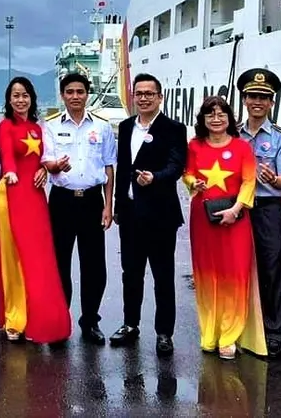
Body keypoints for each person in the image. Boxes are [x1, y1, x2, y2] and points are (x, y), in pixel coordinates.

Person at [182, 95, 265, 360]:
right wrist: (193, 183)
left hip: (235, 220)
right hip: (203, 220)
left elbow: (249, 181)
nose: (216, 119)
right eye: (210, 115)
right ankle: (210, 332)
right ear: (203, 119)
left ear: (229, 118)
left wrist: (236, 210)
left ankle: (229, 335)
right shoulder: (194, 145)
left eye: (221, 114)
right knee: (206, 275)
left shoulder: (242, 147)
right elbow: (187, 173)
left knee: (234, 275)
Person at [110, 73, 186, 355]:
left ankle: (164, 332)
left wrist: (155, 177)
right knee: (131, 273)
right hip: (130, 213)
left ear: (159, 97)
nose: (143, 98)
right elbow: (122, 168)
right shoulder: (125, 126)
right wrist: (118, 205)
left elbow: (176, 166)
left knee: (163, 275)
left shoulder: (173, 128)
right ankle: (130, 324)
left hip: (160, 214)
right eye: (139, 93)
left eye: (149, 94)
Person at [0, 76, 71, 344]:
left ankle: (42, 316)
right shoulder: (5, 126)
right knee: (13, 256)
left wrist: (45, 170)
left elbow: (45, 159)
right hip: (11, 193)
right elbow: (7, 154)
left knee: (39, 257)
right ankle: (15, 317)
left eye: (25, 95)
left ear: (32, 98)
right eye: (15, 95)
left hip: (35, 197)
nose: (20, 100)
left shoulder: (39, 128)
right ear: (9, 100)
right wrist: (11, 172)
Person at [41, 72, 116, 345]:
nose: (75, 96)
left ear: (87, 94)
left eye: (80, 91)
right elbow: (46, 162)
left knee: (94, 266)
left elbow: (109, 167)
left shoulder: (102, 128)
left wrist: (108, 205)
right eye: (70, 92)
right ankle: (61, 322)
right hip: (62, 201)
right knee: (60, 264)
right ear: (62, 95)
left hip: (92, 201)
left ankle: (90, 321)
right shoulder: (50, 126)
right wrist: (56, 167)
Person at [236, 68, 281, 359]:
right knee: (237, 268)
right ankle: (240, 326)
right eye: (252, 96)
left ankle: (273, 330)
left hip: (267, 208)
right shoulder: (232, 134)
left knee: (271, 268)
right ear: (244, 100)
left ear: (272, 102)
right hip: (238, 208)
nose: (257, 102)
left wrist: (274, 179)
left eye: (263, 97)